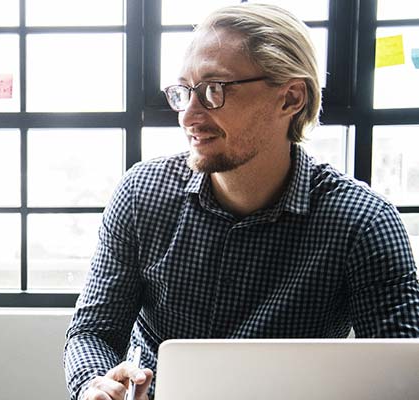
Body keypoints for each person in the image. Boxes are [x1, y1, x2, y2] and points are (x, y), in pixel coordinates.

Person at [64, 4, 419, 400]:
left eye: (215, 89)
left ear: (290, 98)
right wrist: (95, 385)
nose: (188, 116)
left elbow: (403, 375)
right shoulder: (141, 194)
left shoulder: (363, 222)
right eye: (184, 91)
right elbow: (93, 330)